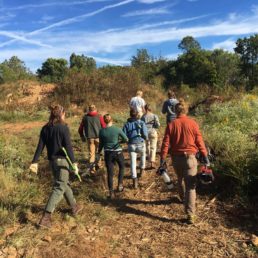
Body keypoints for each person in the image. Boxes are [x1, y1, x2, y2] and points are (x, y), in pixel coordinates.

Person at [29, 105, 82, 229]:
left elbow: (40, 146)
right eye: (64, 113)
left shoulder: (45, 128)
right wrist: (74, 163)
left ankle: (74, 207)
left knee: (64, 184)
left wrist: (35, 161)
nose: (65, 115)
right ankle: (45, 218)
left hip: (52, 162)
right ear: (61, 114)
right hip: (62, 162)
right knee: (59, 187)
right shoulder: (63, 128)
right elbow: (68, 147)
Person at [160, 99, 210, 224]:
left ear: (175, 111)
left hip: (176, 159)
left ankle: (183, 198)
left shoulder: (171, 124)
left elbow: (165, 144)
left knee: (180, 179)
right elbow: (199, 142)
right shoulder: (193, 123)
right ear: (186, 110)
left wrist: (162, 159)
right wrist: (205, 155)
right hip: (190, 159)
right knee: (191, 187)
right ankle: (190, 215)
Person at [98, 114, 128, 199]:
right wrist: (119, 142)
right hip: (118, 152)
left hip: (108, 153)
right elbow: (126, 139)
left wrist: (98, 152)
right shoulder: (117, 129)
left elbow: (101, 144)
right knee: (122, 167)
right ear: (112, 120)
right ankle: (120, 185)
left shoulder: (102, 131)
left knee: (110, 173)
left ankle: (111, 193)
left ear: (104, 121)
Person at [123, 109, 148, 189]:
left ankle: (134, 180)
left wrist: (127, 140)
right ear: (137, 115)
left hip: (131, 144)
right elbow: (145, 134)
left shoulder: (127, 124)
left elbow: (124, 135)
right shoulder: (141, 122)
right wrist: (145, 138)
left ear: (130, 115)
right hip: (140, 143)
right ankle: (142, 169)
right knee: (143, 155)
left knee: (133, 163)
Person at [78, 104, 106, 173]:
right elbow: (104, 126)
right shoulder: (99, 116)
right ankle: (99, 165)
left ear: (89, 110)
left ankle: (92, 169)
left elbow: (80, 129)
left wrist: (82, 136)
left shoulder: (85, 117)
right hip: (99, 137)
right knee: (99, 152)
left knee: (91, 154)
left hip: (90, 138)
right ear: (95, 109)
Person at [141, 104, 160, 169]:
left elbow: (141, 125)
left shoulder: (143, 116)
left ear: (145, 109)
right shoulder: (154, 116)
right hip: (153, 132)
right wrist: (154, 126)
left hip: (146, 133)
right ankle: (152, 162)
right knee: (153, 147)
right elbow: (157, 125)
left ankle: (149, 160)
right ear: (150, 108)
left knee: (147, 146)